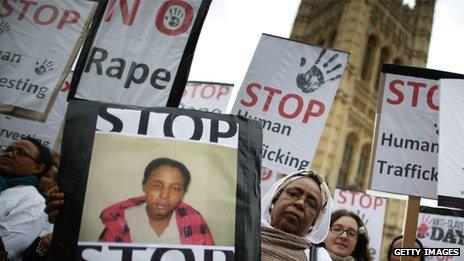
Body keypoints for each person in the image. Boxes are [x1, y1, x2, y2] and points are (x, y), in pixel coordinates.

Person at [98, 157, 214, 245]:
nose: (164, 195)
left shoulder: (194, 221)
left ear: (183, 193)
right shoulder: (120, 221)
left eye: (176, 189)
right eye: (157, 186)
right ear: (144, 186)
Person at [261, 170, 333, 260]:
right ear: (274, 200)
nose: (300, 203)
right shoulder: (242, 236)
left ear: (314, 222)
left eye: (311, 204)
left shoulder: (319, 257)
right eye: (293, 194)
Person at [0, 138, 52, 260]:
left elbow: (7, 249)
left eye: (20, 153)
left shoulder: (34, 201)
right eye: (8, 149)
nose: (9, 154)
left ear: (37, 168)